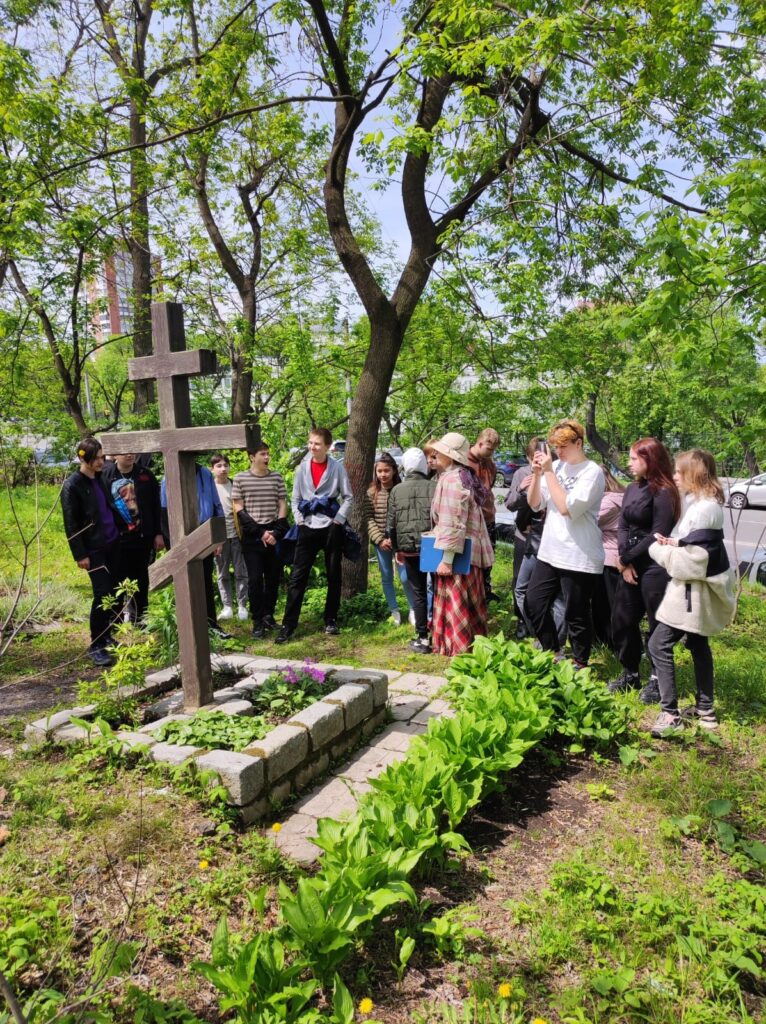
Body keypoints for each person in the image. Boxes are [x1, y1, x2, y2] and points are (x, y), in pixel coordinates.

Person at [647, 450, 735, 736]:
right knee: (698, 645)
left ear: (693, 474)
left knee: (658, 645)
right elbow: (695, 546)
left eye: (678, 471)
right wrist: (675, 542)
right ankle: (705, 709)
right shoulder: (701, 504)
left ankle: (670, 714)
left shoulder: (704, 509)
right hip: (694, 594)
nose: (674, 476)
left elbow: (693, 562)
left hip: (690, 594)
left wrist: (658, 549)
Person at [524, 419, 605, 669]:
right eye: (555, 447)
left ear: (578, 443)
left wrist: (548, 472)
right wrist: (538, 475)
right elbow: (535, 504)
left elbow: (567, 508)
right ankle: (553, 651)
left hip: (579, 554)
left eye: (563, 447)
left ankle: (581, 662)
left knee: (576, 614)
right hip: (550, 551)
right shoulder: (555, 467)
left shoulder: (592, 472)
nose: (558, 452)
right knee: (533, 602)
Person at [608, 439, 680, 702]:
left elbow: (658, 533)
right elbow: (623, 524)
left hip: (654, 567)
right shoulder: (632, 488)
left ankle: (656, 680)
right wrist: (624, 559)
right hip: (630, 566)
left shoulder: (664, 492)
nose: (629, 463)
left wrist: (627, 558)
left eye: (634, 458)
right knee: (622, 620)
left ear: (651, 459)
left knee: (655, 623)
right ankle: (630, 672)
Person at [276, 427, 353, 643]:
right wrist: (299, 520)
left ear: (327, 446)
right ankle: (288, 624)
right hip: (307, 525)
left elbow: (348, 497)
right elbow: (294, 498)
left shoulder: (337, 468)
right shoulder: (302, 468)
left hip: (331, 526)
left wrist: (338, 520)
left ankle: (331, 619)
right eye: (310, 443)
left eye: (317, 444)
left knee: (333, 574)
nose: (312, 447)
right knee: (298, 576)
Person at [428, 432, 494, 656]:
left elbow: (452, 521)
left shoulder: (453, 480)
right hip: (467, 552)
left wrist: (446, 559)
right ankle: (467, 646)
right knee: (469, 602)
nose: (436, 455)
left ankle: (459, 648)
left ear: (450, 456)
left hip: (457, 553)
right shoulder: (463, 476)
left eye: (441, 452)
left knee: (457, 601)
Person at [61, 438, 125, 666]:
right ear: (83, 458)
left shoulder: (101, 478)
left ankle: (107, 635)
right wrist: (80, 555)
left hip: (112, 543)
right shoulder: (73, 485)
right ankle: (96, 644)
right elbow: (71, 523)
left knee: (115, 592)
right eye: (97, 458)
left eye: (102, 457)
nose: (102, 461)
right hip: (93, 549)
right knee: (103, 594)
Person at [160, 463, 228, 636]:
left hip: (204, 535)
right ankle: (186, 630)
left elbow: (217, 506)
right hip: (180, 538)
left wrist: (218, 539)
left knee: (205, 580)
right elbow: (164, 510)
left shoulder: (204, 472)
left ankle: (211, 626)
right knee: (184, 583)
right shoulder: (171, 473)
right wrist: (171, 545)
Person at [512, 439, 567, 648]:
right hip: (533, 540)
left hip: (555, 542)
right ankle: (542, 634)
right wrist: (523, 488)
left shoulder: (560, 474)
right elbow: (521, 505)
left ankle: (555, 641)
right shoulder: (525, 474)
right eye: (533, 457)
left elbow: (565, 508)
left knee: (559, 597)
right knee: (522, 590)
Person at [231, 443, 289, 638]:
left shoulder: (276, 477)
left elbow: (282, 503)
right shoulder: (240, 478)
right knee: (255, 580)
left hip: (274, 532)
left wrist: (276, 532)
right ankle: (257, 620)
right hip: (252, 536)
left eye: (268, 454)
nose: (267, 457)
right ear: (251, 457)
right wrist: (260, 533)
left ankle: (268, 615)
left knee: (273, 578)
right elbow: (239, 509)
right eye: (262, 454)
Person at [102, 451, 164, 623]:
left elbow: (155, 505)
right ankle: (115, 620)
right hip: (116, 539)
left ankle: (139, 618)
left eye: (132, 452)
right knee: (116, 579)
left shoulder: (145, 475)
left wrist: (158, 533)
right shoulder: (105, 476)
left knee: (141, 580)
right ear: (114, 455)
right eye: (124, 452)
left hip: (142, 537)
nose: (129, 455)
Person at [388, 447, 437, 653]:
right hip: (432, 545)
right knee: (438, 589)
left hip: (408, 548)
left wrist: (396, 549)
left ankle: (422, 638)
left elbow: (391, 524)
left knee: (418, 592)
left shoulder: (397, 490)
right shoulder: (434, 486)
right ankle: (440, 632)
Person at [363, 452, 416, 626]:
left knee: (405, 577)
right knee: (387, 576)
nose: (383, 474)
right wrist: (379, 539)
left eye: (386, 470)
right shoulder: (371, 492)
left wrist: (398, 539)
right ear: (376, 472)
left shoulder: (401, 489)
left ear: (394, 470)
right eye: (379, 471)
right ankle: (394, 610)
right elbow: (368, 518)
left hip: (400, 542)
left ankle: (413, 609)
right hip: (381, 543)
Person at [591, 466, 627, 652]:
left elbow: (589, 521)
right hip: (612, 556)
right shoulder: (620, 495)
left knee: (605, 604)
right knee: (608, 603)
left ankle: (611, 643)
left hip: (608, 557)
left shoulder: (608, 502)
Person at [210, 454, 249, 621]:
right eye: (218, 465)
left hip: (237, 536)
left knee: (242, 572)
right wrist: (213, 540)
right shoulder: (209, 488)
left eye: (225, 465)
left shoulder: (235, 485)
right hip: (219, 538)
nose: (223, 468)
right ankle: (227, 607)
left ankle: (242, 606)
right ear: (212, 469)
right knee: (222, 573)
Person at [468, 428, 500, 601]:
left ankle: (486, 592)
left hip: (488, 518)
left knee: (488, 558)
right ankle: (473, 594)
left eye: (493, 450)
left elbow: (489, 488)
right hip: (471, 521)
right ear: (480, 443)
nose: (491, 453)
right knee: (472, 560)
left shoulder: (490, 465)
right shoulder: (463, 462)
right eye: (489, 449)